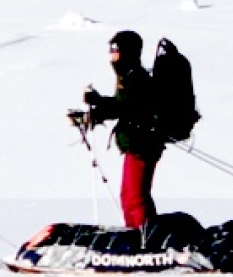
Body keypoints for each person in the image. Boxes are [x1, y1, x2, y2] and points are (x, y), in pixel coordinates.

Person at [70, 30, 168, 232]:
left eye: (115, 50)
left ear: (128, 52)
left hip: (142, 143)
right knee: (129, 195)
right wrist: (96, 110)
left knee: (135, 197)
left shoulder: (136, 78)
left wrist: (99, 103)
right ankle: (136, 236)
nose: (111, 55)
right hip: (138, 143)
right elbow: (123, 106)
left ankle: (144, 241)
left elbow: (126, 108)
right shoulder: (129, 76)